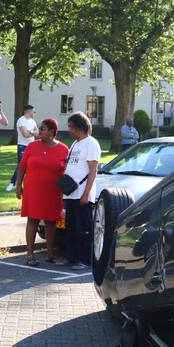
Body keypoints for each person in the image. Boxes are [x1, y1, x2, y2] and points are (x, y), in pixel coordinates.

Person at [15, 118, 68, 266]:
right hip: (33, 190)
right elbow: (22, 166)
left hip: (53, 191)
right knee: (33, 219)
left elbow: (68, 171)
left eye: (43, 128)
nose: (40, 131)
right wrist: (18, 185)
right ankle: (30, 254)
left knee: (51, 221)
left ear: (52, 131)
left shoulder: (64, 149)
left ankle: (50, 254)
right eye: (40, 128)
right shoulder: (32, 146)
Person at [59, 112, 101, 270]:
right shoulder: (75, 144)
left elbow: (92, 171)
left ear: (79, 127)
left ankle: (84, 259)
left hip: (83, 193)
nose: (69, 130)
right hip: (71, 193)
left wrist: (86, 194)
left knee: (83, 228)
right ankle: (71, 257)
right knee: (71, 228)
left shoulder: (91, 143)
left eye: (71, 126)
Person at [6, 104, 39, 191]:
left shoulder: (33, 121)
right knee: (21, 165)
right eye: (33, 111)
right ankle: (12, 183)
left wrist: (30, 132)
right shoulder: (21, 120)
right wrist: (32, 132)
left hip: (32, 146)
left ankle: (29, 183)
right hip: (23, 146)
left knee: (31, 165)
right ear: (28, 111)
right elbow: (25, 134)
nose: (34, 113)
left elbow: (37, 132)